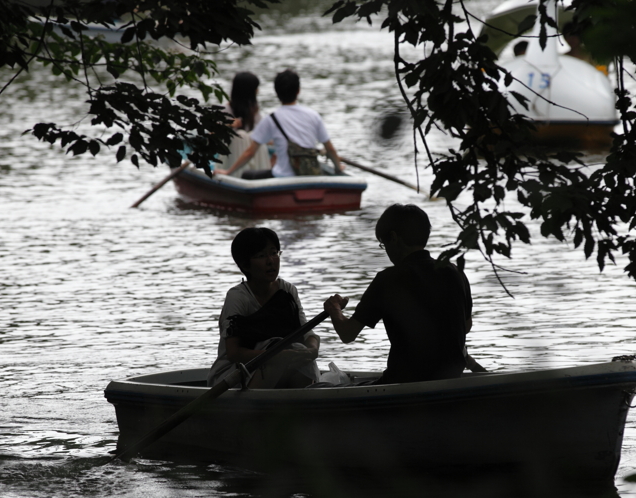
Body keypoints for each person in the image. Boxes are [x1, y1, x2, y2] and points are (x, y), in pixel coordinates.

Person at [323, 204, 484, 384]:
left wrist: (334, 309)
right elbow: (466, 326)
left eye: (383, 245)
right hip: (451, 377)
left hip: (404, 381)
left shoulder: (388, 279)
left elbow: (348, 333)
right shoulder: (455, 272)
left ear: (393, 238)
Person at [207, 227, 320, 388]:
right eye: (261, 256)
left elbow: (307, 333)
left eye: (274, 253)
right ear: (246, 265)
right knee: (276, 355)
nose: (270, 261)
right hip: (232, 375)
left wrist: (312, 350)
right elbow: (233, 353)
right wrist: (275, 356)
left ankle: (302, 402)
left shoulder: (288, 291)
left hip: (279, 365)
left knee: (299, 352)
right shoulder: (237, 297)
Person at [217, 69, 344, 180]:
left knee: (247, 175)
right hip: (309, 174)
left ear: (276, 93)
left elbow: (249, 153)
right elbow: (330, 149)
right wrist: (338, 168)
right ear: (298, 91)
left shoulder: (271, 119)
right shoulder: (314, 115)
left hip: (282, 176)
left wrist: (228, 172)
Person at [217, 72, 272, 178]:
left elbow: (262, 134)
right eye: (255, 88)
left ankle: (260, 175)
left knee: (254, 137)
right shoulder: (226, 109)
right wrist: (228, 125)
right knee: (241, 135)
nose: (258, 91)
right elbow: (211, 134)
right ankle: (237, 175)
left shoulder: (254, 112)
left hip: (249, 156)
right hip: (229, 159)